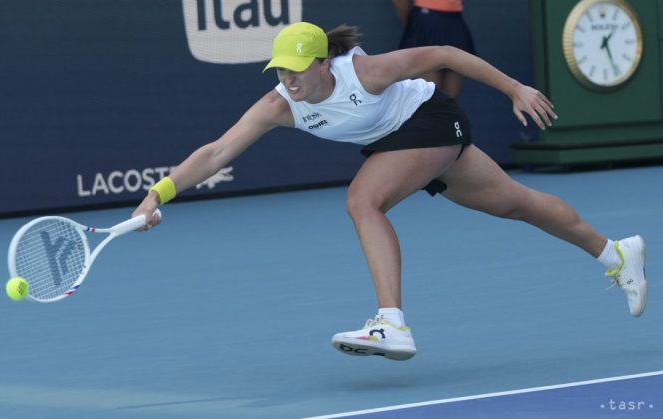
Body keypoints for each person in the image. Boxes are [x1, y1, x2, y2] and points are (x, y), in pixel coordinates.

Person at [133, 22, 647, 361]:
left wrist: (515, 88)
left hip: (428, 118)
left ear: (322, 63)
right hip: (401, 143)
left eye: (296, 69)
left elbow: (445, 53)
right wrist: (160, 192)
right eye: (280, 70)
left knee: (363, 200)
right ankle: (615, 253)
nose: (288, 79)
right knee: (518, 203)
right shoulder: (279, 106)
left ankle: (391, 323)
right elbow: (218, 152)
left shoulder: (365, 72)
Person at [392, 0, 475, 98]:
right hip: (427, 19)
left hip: (454, 20)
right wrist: (414, 25)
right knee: (429, 96)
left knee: (450, 100)